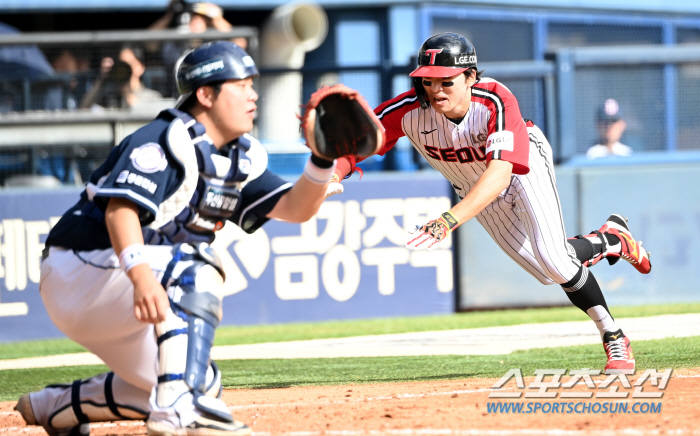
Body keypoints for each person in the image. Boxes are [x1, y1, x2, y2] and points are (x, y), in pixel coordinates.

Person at [14, 40, 338, 436]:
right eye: (242, 85)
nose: (254, 94)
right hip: (80, 269)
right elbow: (121, 211)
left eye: (253, 84)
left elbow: (294, 209)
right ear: (206, 94)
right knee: (198, 266)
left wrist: (321, 162)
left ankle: (59, 407)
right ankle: (175, 410)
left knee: (199, 379)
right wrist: (141, 276)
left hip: (123, 282)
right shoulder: (165, 139)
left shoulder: (239, 155)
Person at [330, 33, 652, 375]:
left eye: (445, 81)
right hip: (472, 188)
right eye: (427, 80)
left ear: (470, 77)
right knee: (547, 272)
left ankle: (613, 335)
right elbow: (357, 144)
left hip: (519, 169)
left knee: (556, 261)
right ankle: (611, 240)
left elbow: (499, 174)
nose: (435, 89)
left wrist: (447, 221)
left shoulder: (494, 99)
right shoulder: (409, 109)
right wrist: (333, 175)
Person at [148, 0, 248, 97]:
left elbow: (240, 43)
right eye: (190, 18)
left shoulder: (211, 47)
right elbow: (149, 43)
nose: (192, 22)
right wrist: (170, 15)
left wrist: (216, 18)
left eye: (197, 18)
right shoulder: (173, 46)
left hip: (205, 97)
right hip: (175, 97)